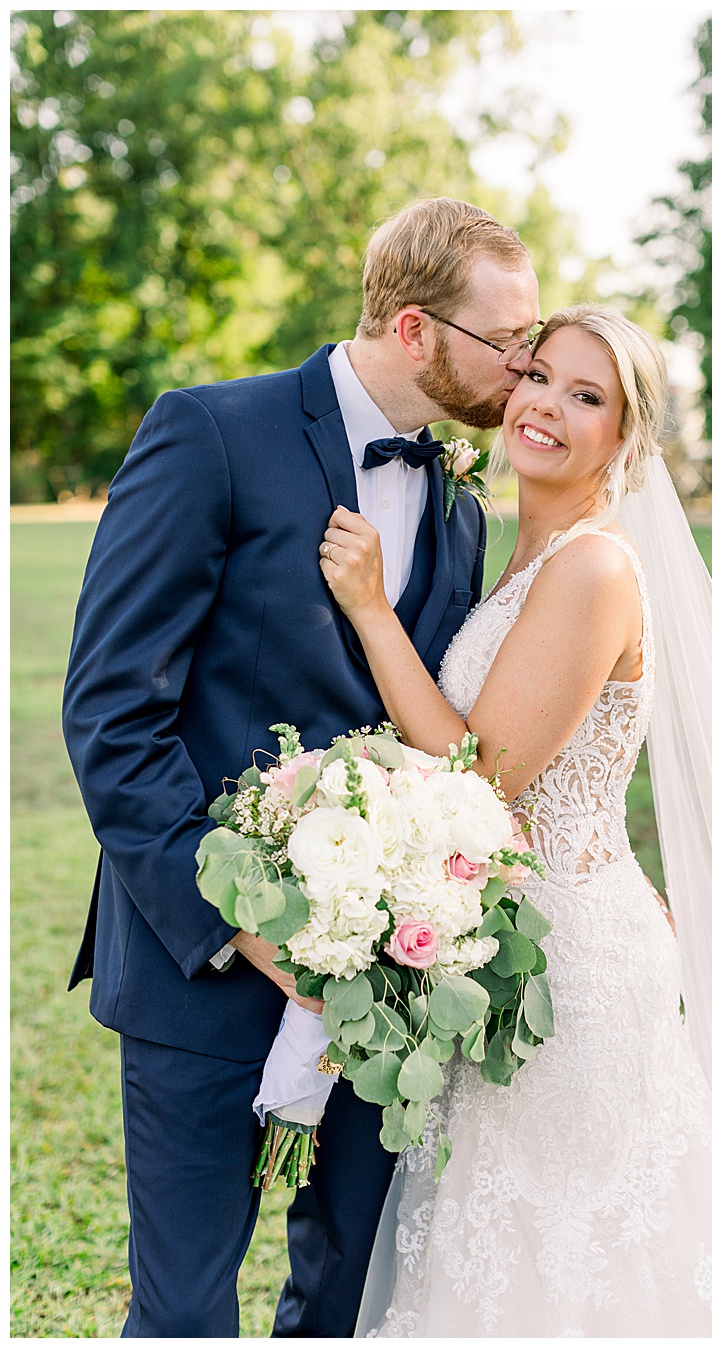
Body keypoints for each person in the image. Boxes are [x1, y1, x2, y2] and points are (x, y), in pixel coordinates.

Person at [315, 304, 712, 1334]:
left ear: (625, 437)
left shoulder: (595, 566)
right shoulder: (519, 553)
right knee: (508, 1240)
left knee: (581, 1250)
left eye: (587, 396)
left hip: (571, 970)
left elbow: (481, 772)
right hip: (513, 946)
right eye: (537, 375)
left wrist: (369, 610)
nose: (545, 404)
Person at [61, 196, 542, 1335]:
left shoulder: (461, 505)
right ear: (416, 329)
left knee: (350, 1302)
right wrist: (243, 926)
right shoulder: (211, 431)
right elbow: (113, 712)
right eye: (506, 339)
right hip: (205, 967)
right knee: (182, 1311)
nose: (523, 366)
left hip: (391, 981)